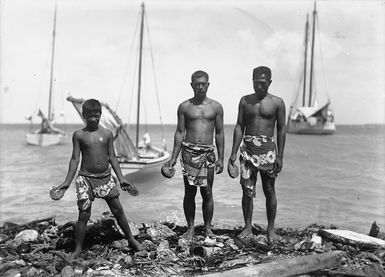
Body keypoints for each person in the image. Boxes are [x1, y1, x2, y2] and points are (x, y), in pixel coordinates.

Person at [54, 99, 143, 262]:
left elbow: (113, 157)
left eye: (97, 115)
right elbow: (74, 160)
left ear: (101, 115)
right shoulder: (79, 135)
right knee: (83, 215)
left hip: (106, 178)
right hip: (85, 179)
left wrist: (121, 178)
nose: (94, 118)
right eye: (91, 116)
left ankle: (131, 239)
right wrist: (66, 182)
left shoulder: (107, 134)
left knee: (118, 210)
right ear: (84, 115)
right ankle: (78, 249)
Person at [164, 70, 224, 239]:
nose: (200, 87)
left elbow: (219, 133)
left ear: (208, 85)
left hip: (207, 153)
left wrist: (221, 157)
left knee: (207, 192)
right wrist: (173, 158)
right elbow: (179, 132)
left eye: (203, 83)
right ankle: (190, 228)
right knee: (189, 192)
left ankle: (207, 228)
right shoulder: (184, 107)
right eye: (196, 84)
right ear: (191, 85)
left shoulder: (216, 107)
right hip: (189, 152)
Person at [228, 66, 286, 242]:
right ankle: (247, 226)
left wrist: (280, 156)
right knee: (247, 190)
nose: (259, 86)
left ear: (269, 82)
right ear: (252, 80)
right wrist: (232, 154)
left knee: (269, 190)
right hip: (248, 149)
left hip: (268, 151)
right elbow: (239, 126)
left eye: (263, 83)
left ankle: (271, 229)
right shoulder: (245, 101)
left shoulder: (277, 102)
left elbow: (282, 129)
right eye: (256, 82)